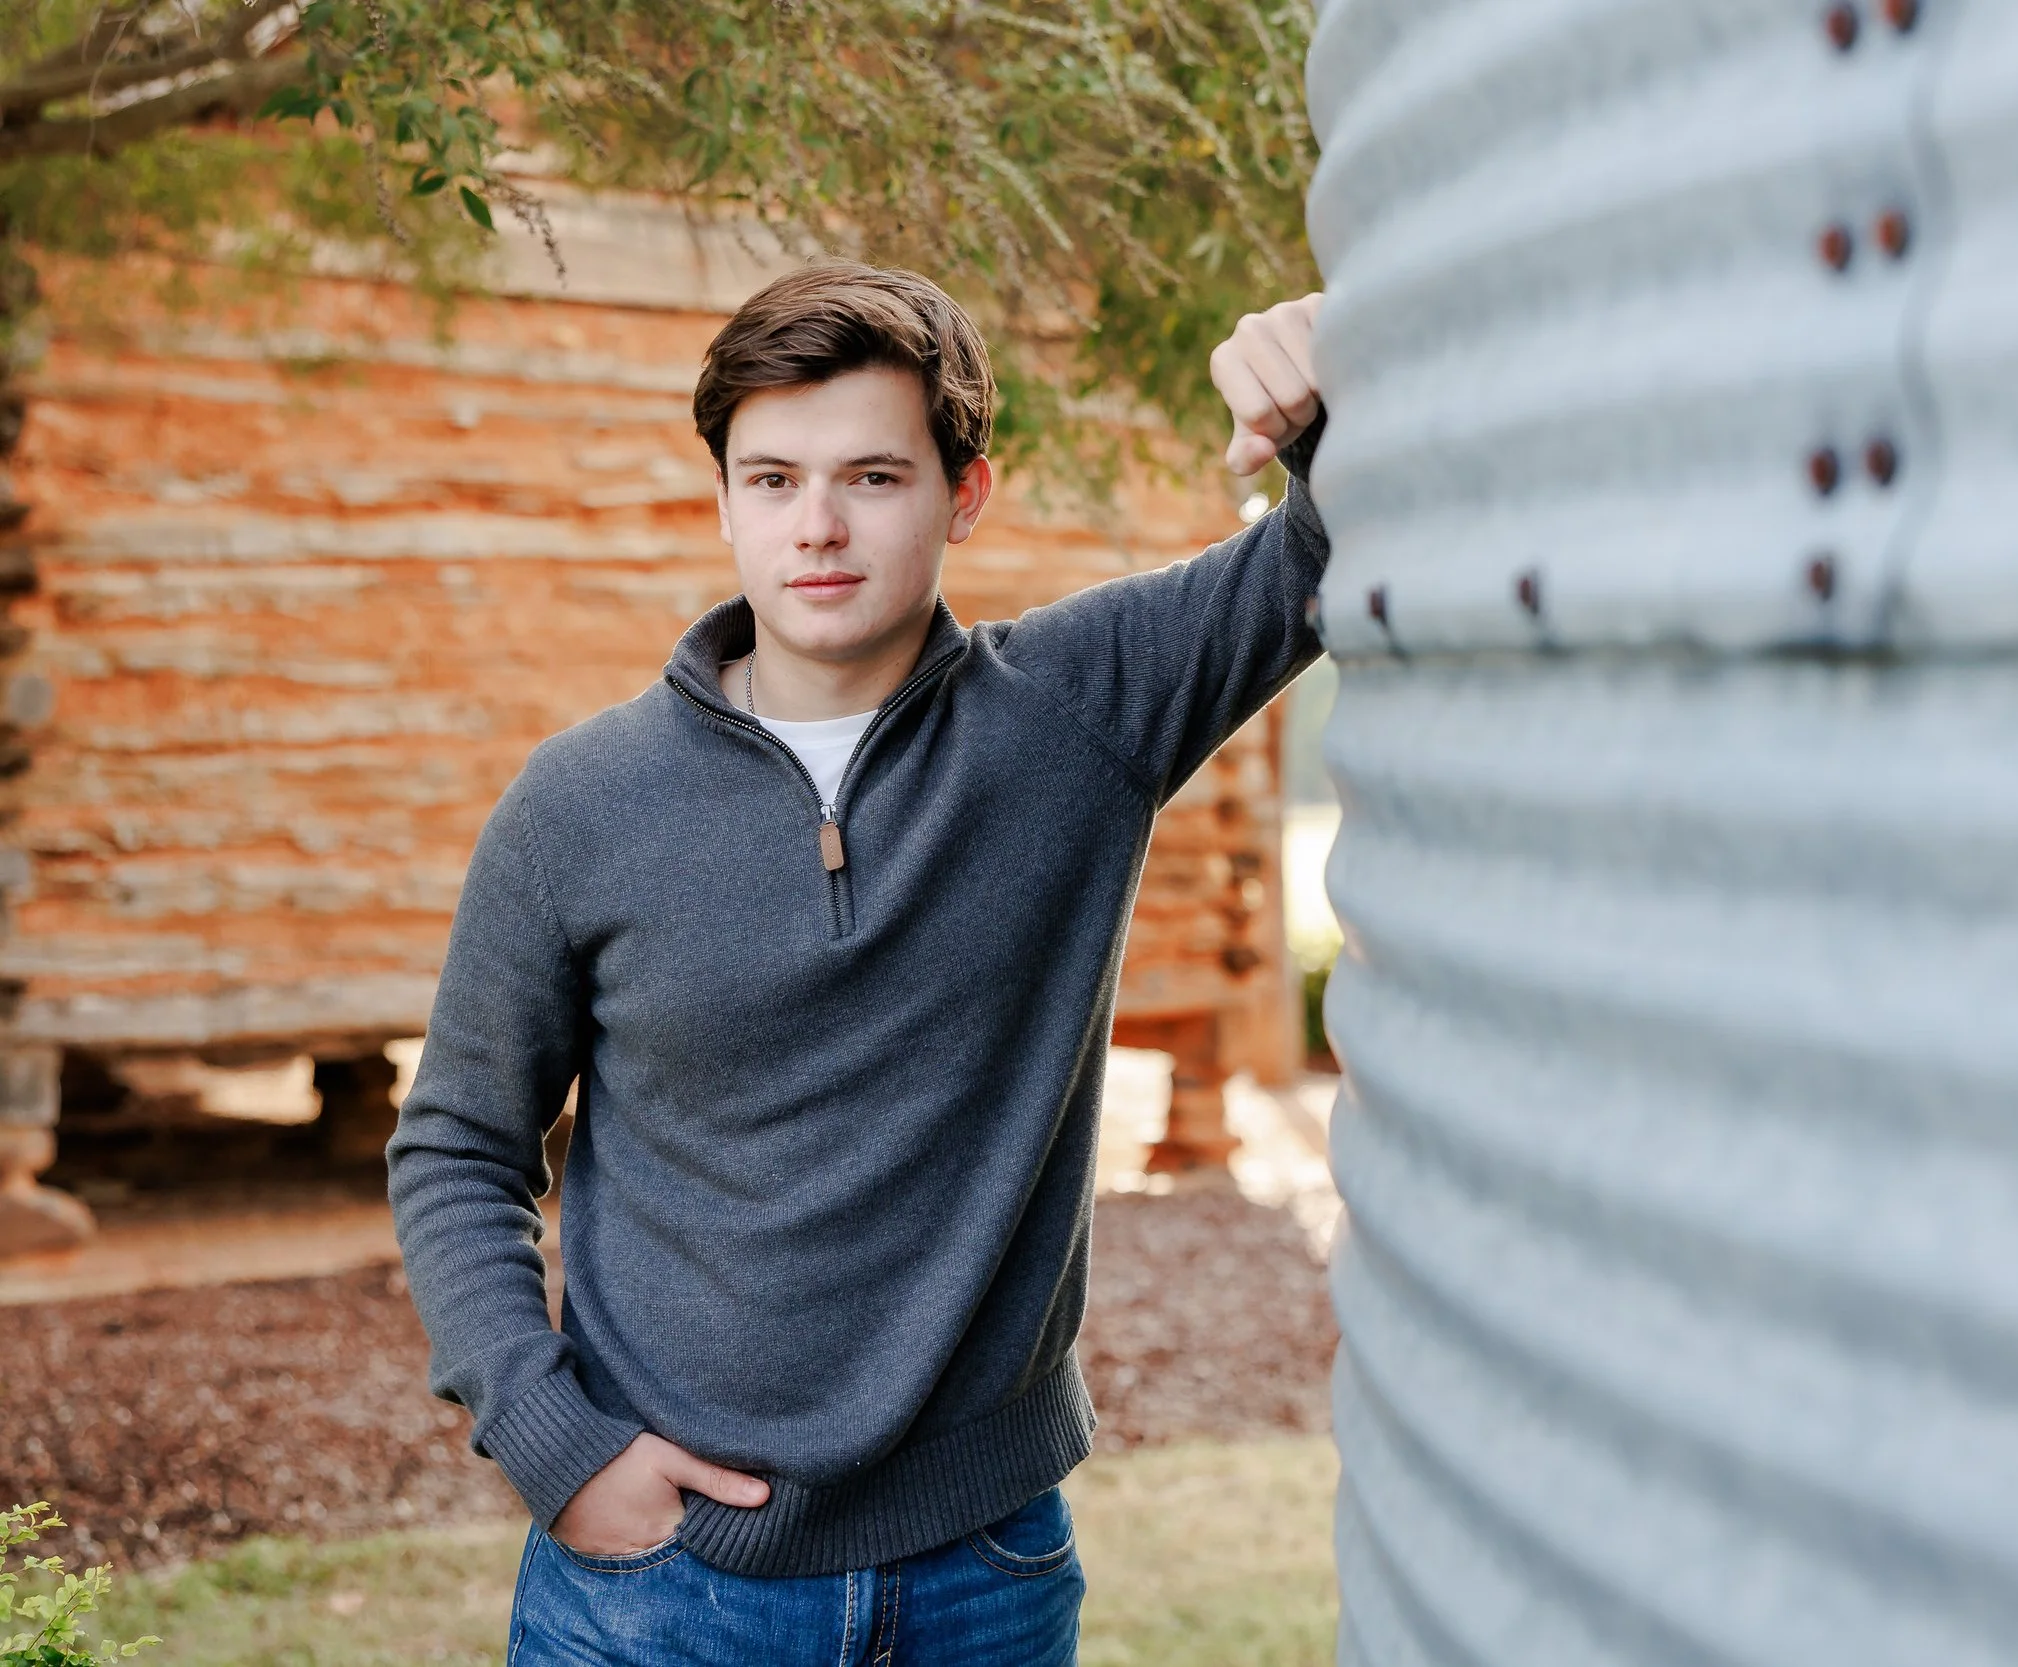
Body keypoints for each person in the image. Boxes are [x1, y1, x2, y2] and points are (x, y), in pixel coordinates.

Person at [385, 261, 1325, 1664]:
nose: (816, 528)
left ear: (967, 493)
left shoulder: (1083, 715)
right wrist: (551, 1437)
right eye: (771, 481)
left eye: (873, 477)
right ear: (723, 499)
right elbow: (458, 1141)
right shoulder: (578, 805)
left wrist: (1315, 391)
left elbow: (1343, 544)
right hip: (657, 1590)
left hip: (982, 1578)